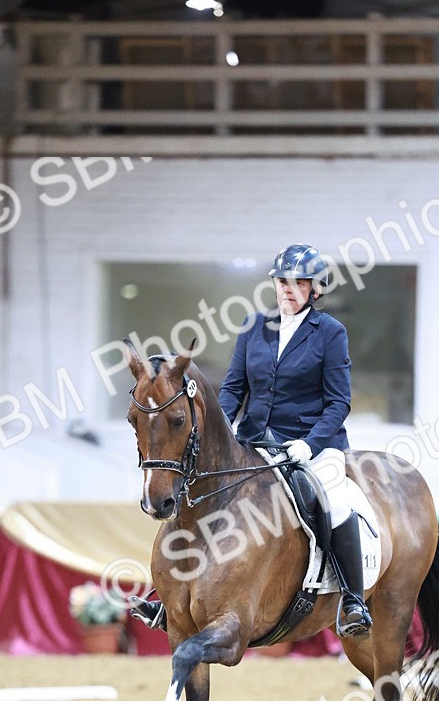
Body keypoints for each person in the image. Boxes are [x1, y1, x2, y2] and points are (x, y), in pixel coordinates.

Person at [132, 243, 373, 638]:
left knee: (335, 499)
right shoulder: (253, 326)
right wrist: (220, 428)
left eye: (298, 283)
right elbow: (232, 389)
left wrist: (310, 444)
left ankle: (352, 599)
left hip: (313, 443)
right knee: (204, 493)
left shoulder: (330, 332)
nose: (288, 290)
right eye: (282, 282)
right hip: (256, 439)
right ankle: (173, 598)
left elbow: (338, 402)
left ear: (315, 289)